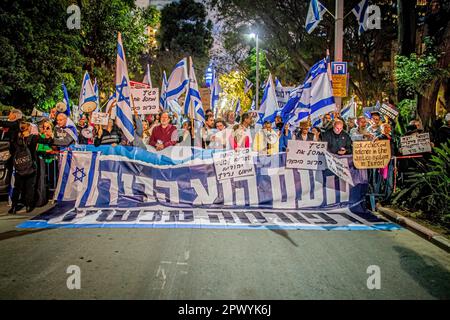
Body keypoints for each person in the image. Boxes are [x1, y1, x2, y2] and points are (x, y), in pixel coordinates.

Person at [9, 122, 40, 214]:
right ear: (28, 128)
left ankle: (14, 206)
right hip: (30, 166)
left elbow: (12, 151)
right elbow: (46, 141)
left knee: (17, 187)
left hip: (20, 167)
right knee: (30, 186)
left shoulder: (15, 139)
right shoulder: (33, 138)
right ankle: (28, 205)